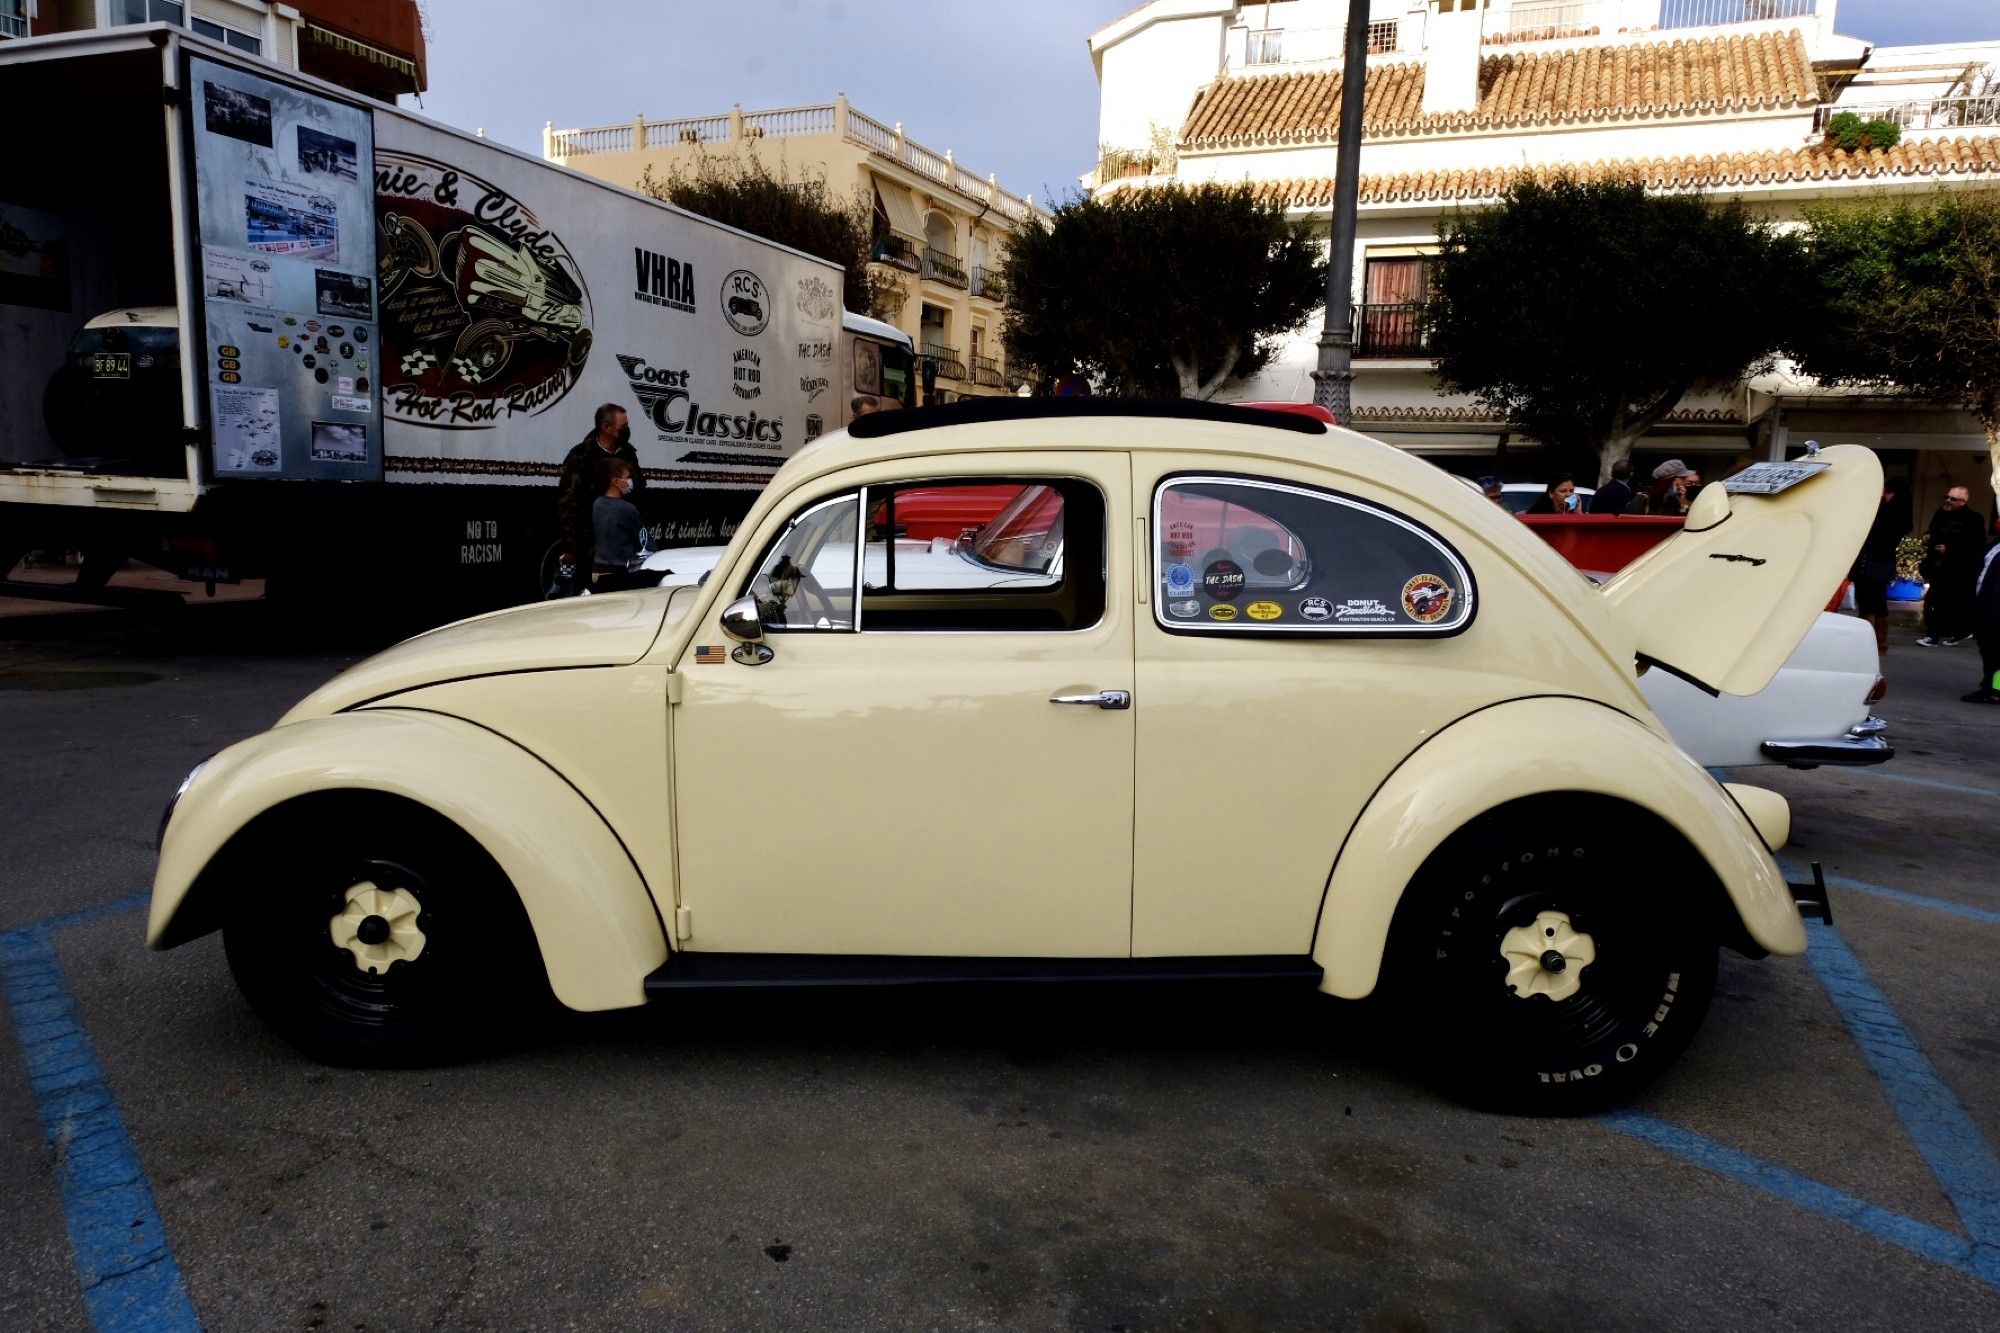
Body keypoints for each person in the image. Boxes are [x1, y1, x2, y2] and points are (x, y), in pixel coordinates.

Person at [556, 403, 642, 595]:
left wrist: (630, 487)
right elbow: (568, 503)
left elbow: (640, 487)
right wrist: (571, 546)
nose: (627, 430)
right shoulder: (581, 456)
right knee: (586, 595)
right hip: (590, 545)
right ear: (606, 427)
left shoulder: (628, 454)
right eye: (623, 427)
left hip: (622, 544)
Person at [1917, 486, 1988, 646]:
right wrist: (1928, 536)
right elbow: (1934, 530)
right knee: (1933, 600)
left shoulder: (1973, 519)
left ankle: (1943, 634)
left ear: (1963, 502)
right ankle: (1936, 633)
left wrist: (1950, 550)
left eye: (1953, 499)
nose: (1948, 501)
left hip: (1958, 569)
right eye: (1947, 497)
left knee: (1948, 602)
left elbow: (1975, 544)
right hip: (1938, 566)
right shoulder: (1941, 514)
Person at [1851, 484, 1909, 655]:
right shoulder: (1881, 511)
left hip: (1879, 562)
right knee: (1865, 600)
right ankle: (1865, 638)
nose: (1884, 495)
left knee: (1875, 600)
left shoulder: (1895, 515)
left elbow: (1885, 539)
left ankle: (1878, 640)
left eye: (1888, 492)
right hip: (1868, 560)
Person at [590, 456, 654, 592]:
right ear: (616, 481)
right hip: (620, 574)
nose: (629, 481)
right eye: (626, 477)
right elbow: (645, 542)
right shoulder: (627, 508)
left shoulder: (597, 504)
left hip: (598, 572)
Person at [1964, 533, 2000, 704]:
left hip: (1996, 608)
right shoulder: (1995, 545)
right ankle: (1988, 686)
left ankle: (1996, 691)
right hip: (1984, 606)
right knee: (1988, 650)